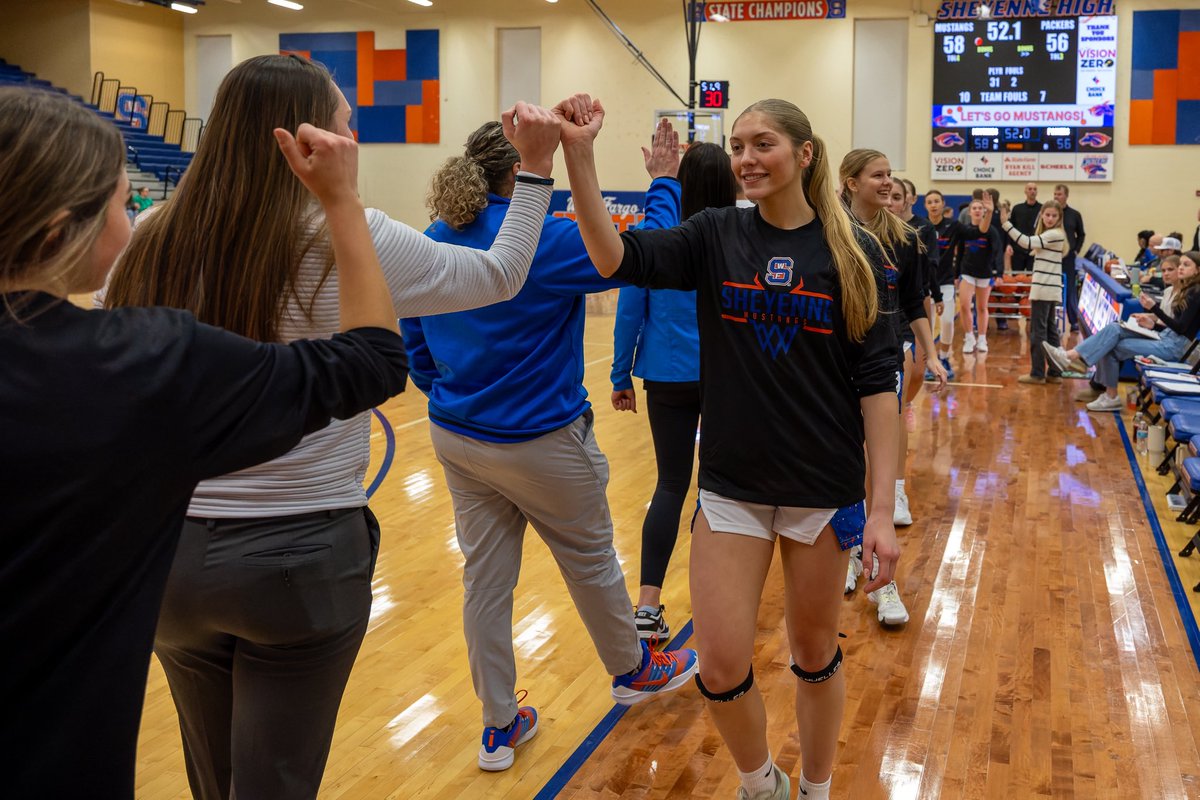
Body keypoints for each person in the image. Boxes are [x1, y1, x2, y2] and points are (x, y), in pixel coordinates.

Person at [104, 55, 561, 800]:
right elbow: (502, 274)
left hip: (169, 553)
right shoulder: (355, 234)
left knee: (212, 780)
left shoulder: (150, 234)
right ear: (310, 140)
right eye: (347, 124)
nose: (355, 137)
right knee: (277, 784)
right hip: (300, 553)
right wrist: (536, 171)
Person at [0, 87, 409, 797]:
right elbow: (372, 362)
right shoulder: (138, 364)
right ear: (57, 232)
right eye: (123, 205)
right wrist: (342, 203)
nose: (131, 227)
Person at [559, 93, 901, 800]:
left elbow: (878, 390)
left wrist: (880, 507)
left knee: (813, 655)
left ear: (804, 156)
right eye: (738, 144)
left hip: (820, 487)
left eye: (763, 143)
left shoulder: (854, 251)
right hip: (731, 487)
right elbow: (615, 257)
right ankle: (760, 783)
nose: (746, 157)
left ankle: (816, 786)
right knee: (717, 664)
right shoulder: (714, 233)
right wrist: (580, 157)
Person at [401, 116, 698, 774]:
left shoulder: (434, 236)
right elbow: (648, 251)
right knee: (591, 560)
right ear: (526, 168)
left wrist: (444, 388)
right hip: (540, 439)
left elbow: (412, 335)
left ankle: (499, 725)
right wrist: (664, 182)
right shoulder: (547, 237)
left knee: (484, 582)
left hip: (457, 436)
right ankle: (632, 668)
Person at [611, 141, 737, 641]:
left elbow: (628, 311)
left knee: (669, 485)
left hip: (665, 375)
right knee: (720, 490)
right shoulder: (738, 238)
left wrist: (621, 376)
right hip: (725, 376)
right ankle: (720, 601)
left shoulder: (657, 234)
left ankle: (647, 606)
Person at [840, 150, 944, 626]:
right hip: (833, 366)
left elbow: (914, 303)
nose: (887, 184)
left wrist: (933, 353)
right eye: (878, 176)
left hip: (884, 361)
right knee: (843, 463)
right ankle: (848, 554)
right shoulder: (827, 231)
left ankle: (884, 581)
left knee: (876, 462)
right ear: (849, 182)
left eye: (889, 177)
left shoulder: (904, 239)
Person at [1045, 251, 1200, 412]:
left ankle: (1102, 388)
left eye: (1186, 265)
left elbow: (1181, 329)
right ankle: (1077, 363)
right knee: (1114, 329)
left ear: (1197, 270)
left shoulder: (1196, 292)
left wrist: (1153, 309)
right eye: (1180, 264)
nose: (1181, 268)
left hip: (1174, 348)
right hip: (1166, 338)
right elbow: (1174, 326)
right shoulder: (1187, 291)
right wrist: (1152, 325)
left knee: (1112, 344)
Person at [1001, 199, 1066, 384]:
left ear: (1059, 217)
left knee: (1038, 332)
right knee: (1051, 330)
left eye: (1054, 215)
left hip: (1044, 289)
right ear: (1042, 216)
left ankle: (1037, 373)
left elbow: (1027, 242)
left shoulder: (1054, 234)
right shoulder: (1051, 234)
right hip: (1049, 288)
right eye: (1047, 215)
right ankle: (1055, 372)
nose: (1050, 218)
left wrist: (1006, 223)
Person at [924, 189, 961, 378]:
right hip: (924, 284)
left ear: (943, 203)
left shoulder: (953, 226)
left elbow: (978, 232)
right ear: (925, 206)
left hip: (945, 283)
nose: (933, 205)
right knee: (927, 327)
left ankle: (944, 357)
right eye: (929, 202)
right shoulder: (921, 227)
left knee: (947, 321)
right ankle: (929, 362)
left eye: (936, 201)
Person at [957, 192, 999, 353]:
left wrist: (998, 272)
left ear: (984, 211)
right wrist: (955, 275)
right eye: (974, 208)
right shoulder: (965, 230)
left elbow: (997, 252)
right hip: (967, 272)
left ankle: (982, 338)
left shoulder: (992, 231)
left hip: (985, 273)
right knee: (964, 305)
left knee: (982, 307)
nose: (976, 210)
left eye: (980, 208)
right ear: (969, 212)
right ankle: (969, 337)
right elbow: (960, 252)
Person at [1054, 183, 1085, 332]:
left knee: (1070, 289)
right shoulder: (1050, 214)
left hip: (1068, 258)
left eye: (1059, 194)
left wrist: (1076, 250)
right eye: (1055, 194)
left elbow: (1081, 234)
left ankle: (1073, 321)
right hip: (1052, 256)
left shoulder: (1074, 214)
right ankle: (1051, 321)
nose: (1056, 197)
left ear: (1066, 196)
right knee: (1052, 288)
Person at [1008, 182, 1041, 273]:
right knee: (1017, 278)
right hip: (1018, 250)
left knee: (1033, 278)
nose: (1032, 191)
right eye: (1030, 189)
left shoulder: (1042, 209)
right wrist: (1009, 244)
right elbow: (1011, 228)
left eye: (1035, 189)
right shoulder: (1017, 208)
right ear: (1025, 191)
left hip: (1035, 250)